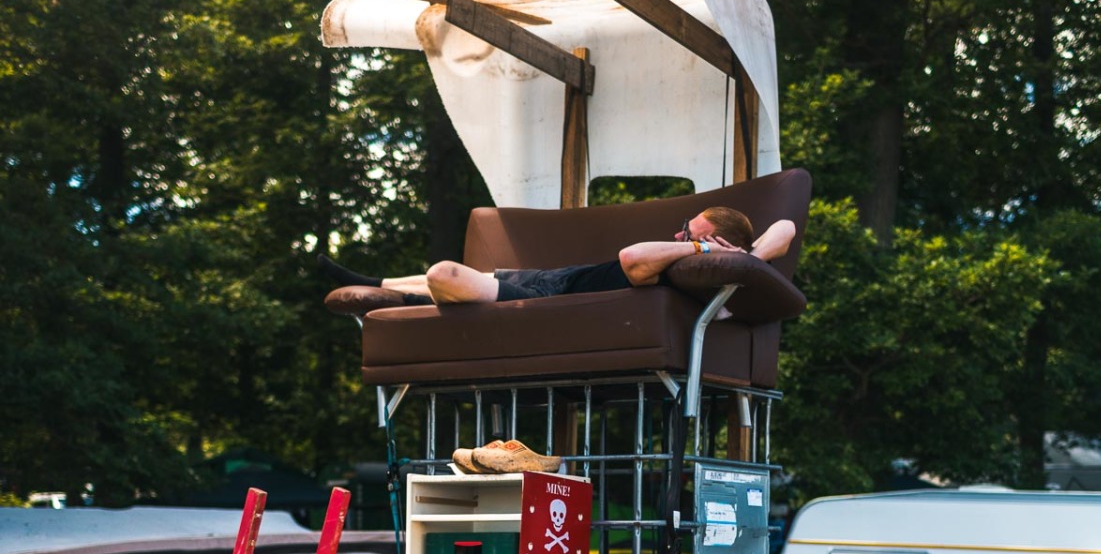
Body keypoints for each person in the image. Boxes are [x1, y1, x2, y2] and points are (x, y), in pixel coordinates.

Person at [318, 206, 797, 305]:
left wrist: (703, 248)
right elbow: (784, 226)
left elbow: (630, 257)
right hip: (556, 278)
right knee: (419, 278)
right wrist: (727, 248)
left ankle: (417, 304)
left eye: (692, 232)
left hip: (548, 303)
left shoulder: (695, 267)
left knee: (442, 274)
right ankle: (380, 283)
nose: (680, 237)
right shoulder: (695, 254)